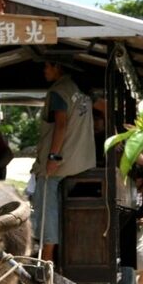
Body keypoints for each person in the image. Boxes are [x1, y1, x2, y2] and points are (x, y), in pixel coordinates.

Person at [31, 58, 96, 262]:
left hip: (60, 163)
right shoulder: (82, 92)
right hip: (82, 161)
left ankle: (46, 258)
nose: (44, 70)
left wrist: (53, 157)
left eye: (46, 65)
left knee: (45, 207)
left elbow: (61, 125)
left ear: (57, 66)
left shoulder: (59, 91)